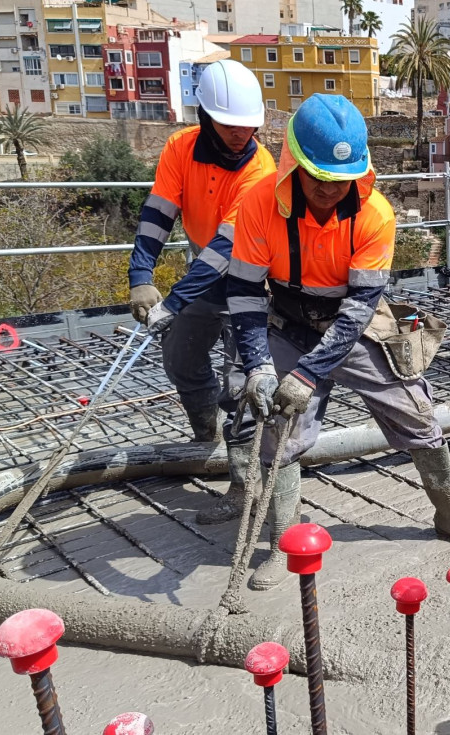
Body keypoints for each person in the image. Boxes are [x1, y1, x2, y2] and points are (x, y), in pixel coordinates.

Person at [226, 94, 450, 591]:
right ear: (295, 165)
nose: (330, 190)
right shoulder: (259, 203)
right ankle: (288, 538)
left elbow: (359, 310)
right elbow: (242, 292)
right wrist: (260, 365)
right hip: (286, 319)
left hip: (351, 323)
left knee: (416, 412)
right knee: (279, 430)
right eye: (320, 178)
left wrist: (308, 373)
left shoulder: (375, 215)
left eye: (341, 180)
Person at [127, 59, 276, 525]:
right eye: (231, 125)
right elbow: (158, 214)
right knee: (181, 360)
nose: (242, 133)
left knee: (242, 384)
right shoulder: (180, 148)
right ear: (206, 118)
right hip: (203, 275)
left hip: (249, 282)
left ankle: (242, 484)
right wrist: (140, 275)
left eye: (249, 125)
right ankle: (206, 440)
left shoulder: (260, 169)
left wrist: (172, 302)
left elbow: (225, 249)